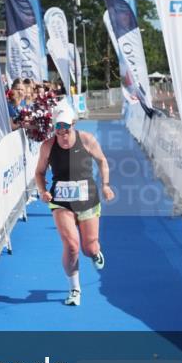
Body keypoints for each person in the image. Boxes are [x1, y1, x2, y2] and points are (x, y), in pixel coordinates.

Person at [34, 104, 114, 307]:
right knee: (71, 246)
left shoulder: (86, 139)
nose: (62, 133)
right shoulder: (47, 146)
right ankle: (74, 288)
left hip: (88, 200)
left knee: (89, 248)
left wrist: (105, 185)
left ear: (74, 124)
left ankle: (95, 252)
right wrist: (43, 191)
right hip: (61, 202)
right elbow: (39, 173)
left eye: (66, 128)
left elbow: (102, 161)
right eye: (58, 128)